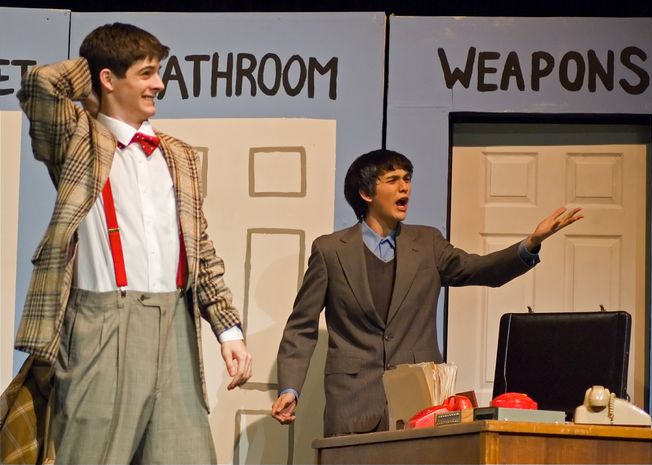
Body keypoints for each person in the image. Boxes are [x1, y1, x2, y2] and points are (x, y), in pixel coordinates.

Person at [14, 23, 251, 464]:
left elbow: (199, 248)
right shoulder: (76, 139)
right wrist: (92, 75)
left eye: (157, 72)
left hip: (175, 327)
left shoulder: (177, 153)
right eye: (145, 73)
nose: (158, 84)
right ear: (108, 79)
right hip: (102, 323)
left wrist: (228, 329)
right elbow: (41, 85)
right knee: (91, 455)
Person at [271, 149, 582, 436]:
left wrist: (530, 244)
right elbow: (302, 326)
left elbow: (479, 269)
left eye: (407, 179)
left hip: (419, 403)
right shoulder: (330, 251)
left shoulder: (428, 244)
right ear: (366, 193)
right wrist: (290, 388)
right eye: (393, 180)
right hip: (352, 403)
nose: (404, 187)